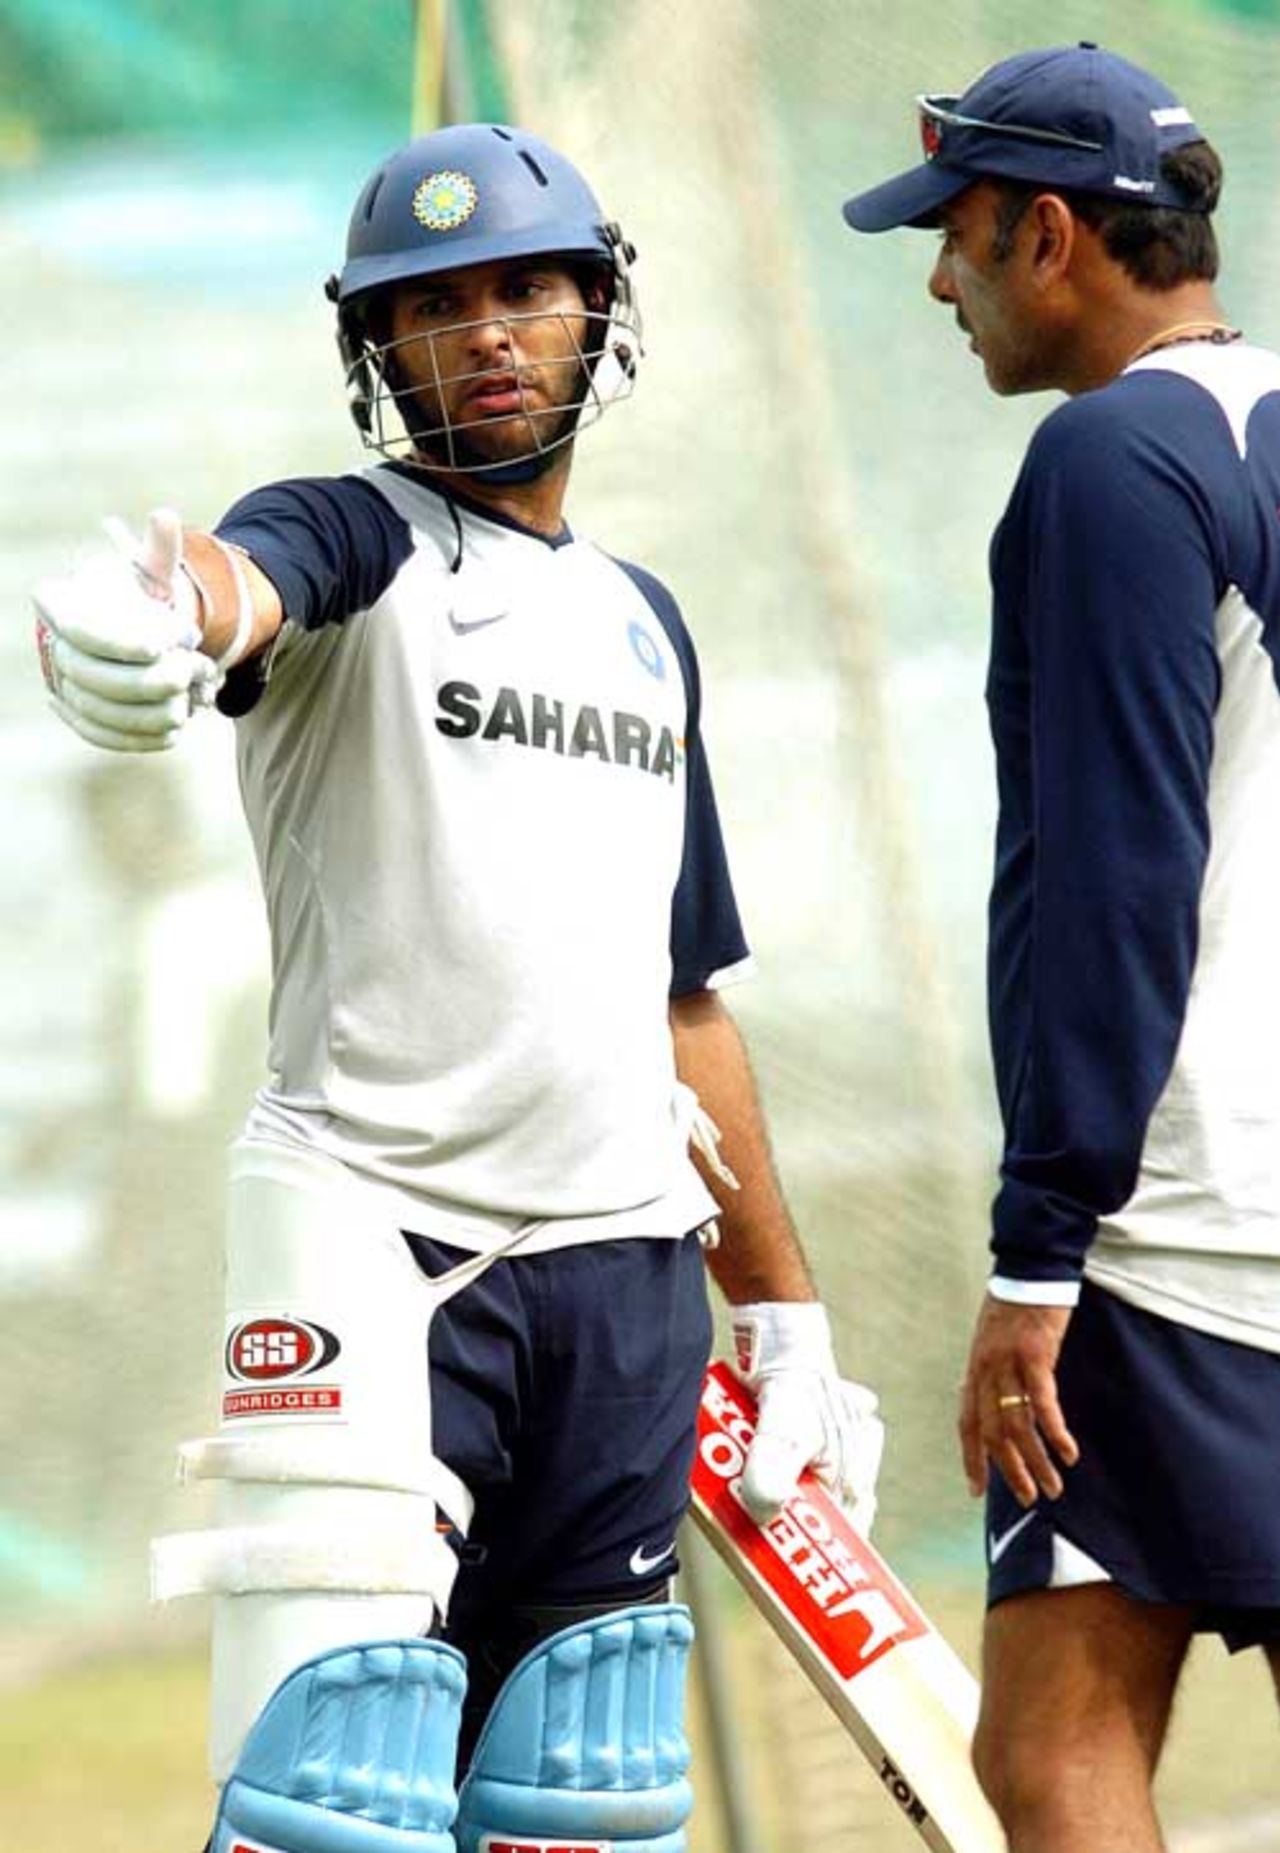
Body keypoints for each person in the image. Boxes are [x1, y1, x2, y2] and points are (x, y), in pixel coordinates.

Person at [33, 123, 883, 1853]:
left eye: (525, 291)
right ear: (375, 352)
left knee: (586, 1796)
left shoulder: (647, 623)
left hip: (626, 1277)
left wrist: (781, 1312)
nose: (486, 334)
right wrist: (149, 599)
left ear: (599, 313)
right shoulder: (353, 540)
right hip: (380, 1241)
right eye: (433, 310)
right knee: (333, 1793)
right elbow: (232, 576)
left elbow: (686, 1002)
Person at [843, 40, 1280, 1853]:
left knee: (1057, 1751)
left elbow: (1115, 876)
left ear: (1046, 234)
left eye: (951, 235)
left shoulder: (1112, 461)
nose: (937, 279)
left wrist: (1040, 1254)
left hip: (1180, 1228)